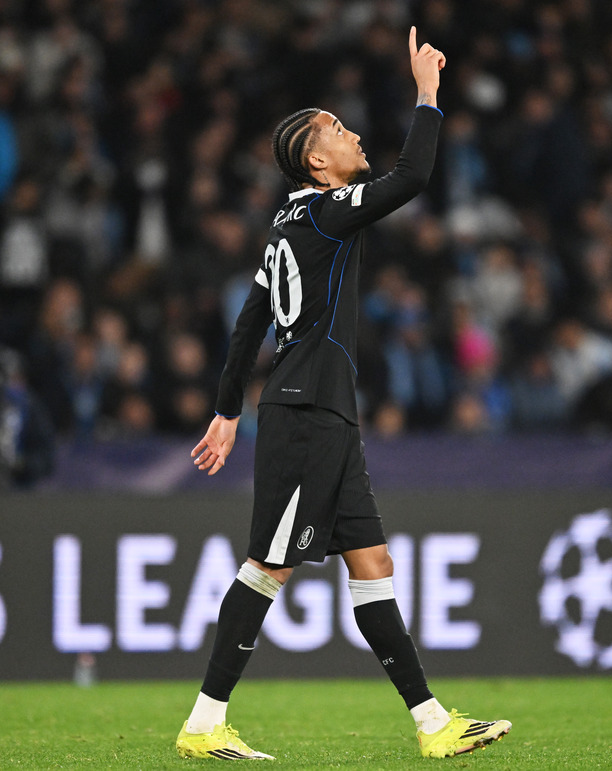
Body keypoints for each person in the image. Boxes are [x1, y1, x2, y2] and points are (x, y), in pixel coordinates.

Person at [177, 28, 511, 761]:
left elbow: (247, 324)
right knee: (267, 565)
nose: (353, 133)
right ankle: (203, 721)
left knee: (373, 563)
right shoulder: (328, 212)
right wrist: (427, 94)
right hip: (305, 412)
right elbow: (413, 178)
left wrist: (228, 406)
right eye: (337, 129)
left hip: (319, 409)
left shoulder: (281, 229)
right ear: (316, 161)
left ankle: (433, 723)